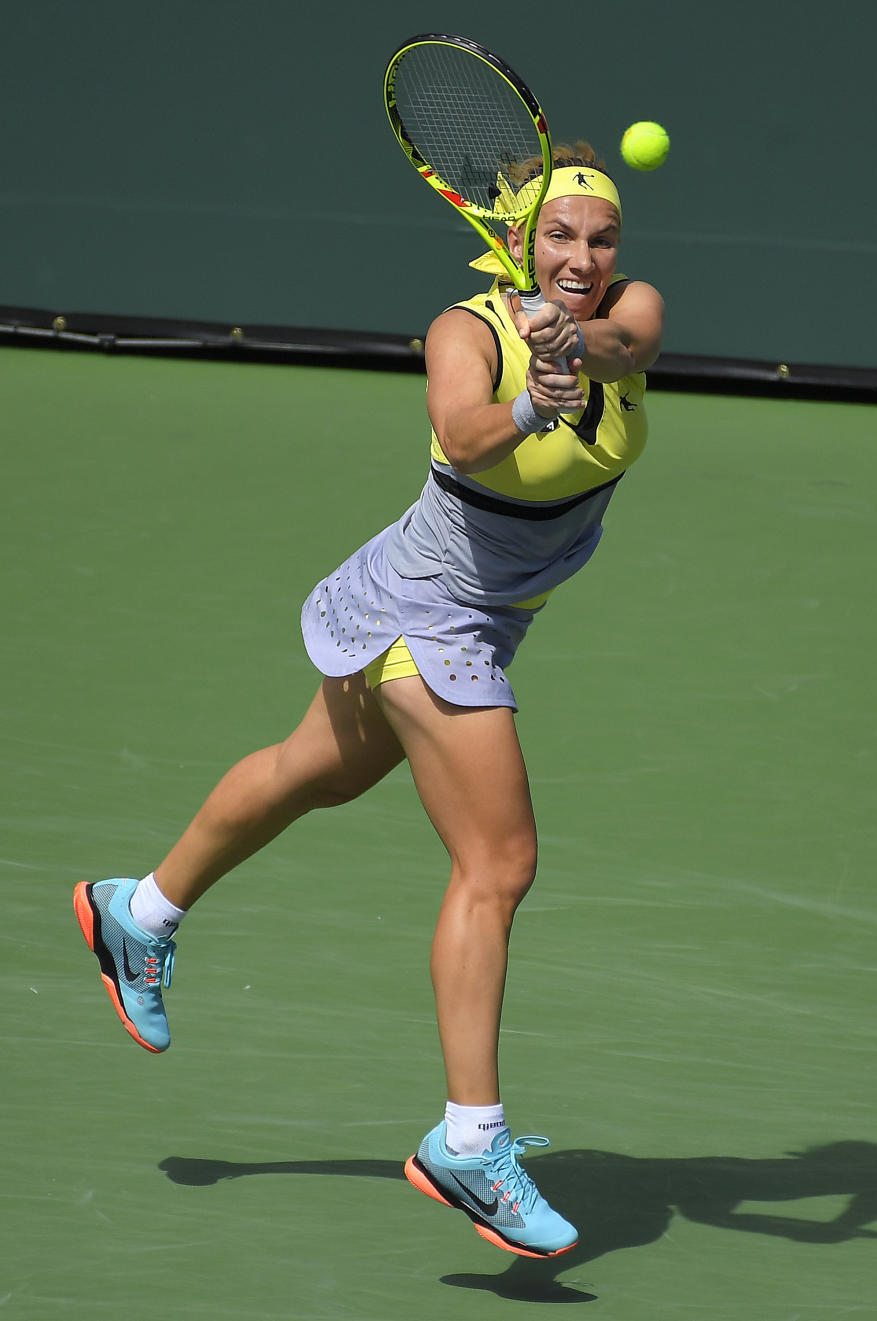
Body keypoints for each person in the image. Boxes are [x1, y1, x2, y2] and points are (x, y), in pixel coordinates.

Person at [73, 143, 664, 1260]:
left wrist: (570, 341)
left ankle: (136, 911)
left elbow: (630, 340)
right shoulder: (463, 332)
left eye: (600, 238)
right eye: (559, 236)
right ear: (516, 238)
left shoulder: (628, 310)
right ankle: (468, 1141)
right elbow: (462, 435)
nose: (584, 258)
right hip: (429, 615)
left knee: (318, 772)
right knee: (499, 864)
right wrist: (534, 397)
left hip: (477, 611)